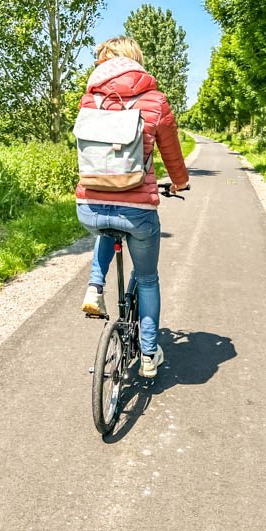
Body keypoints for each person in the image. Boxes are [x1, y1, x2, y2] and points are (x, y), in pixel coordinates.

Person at [76, 36, 189, 379]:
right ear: (135, 60)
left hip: (90, 202)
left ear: (105, 63)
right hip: (138, 209)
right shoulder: (155, 101)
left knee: (105, 223)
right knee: (148, 278)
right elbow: (171, 153)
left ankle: (95, 286)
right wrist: (179, 182)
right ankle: (150, 355)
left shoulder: (90, 99)